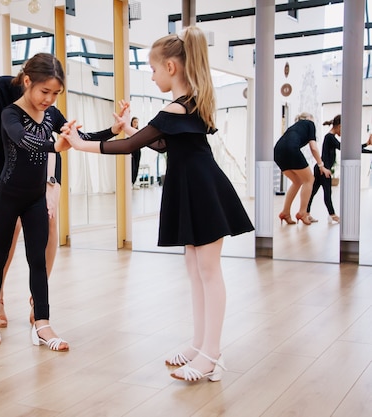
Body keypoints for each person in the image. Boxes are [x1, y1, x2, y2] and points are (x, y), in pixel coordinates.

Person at [62, 26, 254, 380]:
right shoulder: (190, 102)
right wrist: (127, 130)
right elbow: (165, 144)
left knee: (208, 272)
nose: (150, 76)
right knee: (196, 270)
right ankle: (199, 345)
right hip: (195, 187)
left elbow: (131, 146)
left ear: (170, 67)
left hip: (203, 190)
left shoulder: (177, 106)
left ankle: (211, 354)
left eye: (151, 69)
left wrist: (79, 142)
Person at [0, 49, 124, 329]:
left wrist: (50, 187)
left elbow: (55, 132)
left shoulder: (16, 86)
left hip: (45, 156)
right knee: (7, 232)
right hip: (4, 158)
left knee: (49, 221)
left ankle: (37, 299)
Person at [0, 52, 102, 350]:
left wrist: (115, 130)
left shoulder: (52, 114)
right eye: (44, 91)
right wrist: (54, 145)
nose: (49, 99)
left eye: (56, 93)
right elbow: (23, 139)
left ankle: (42, 325)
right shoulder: (10, 113)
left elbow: (79, 137)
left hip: (36, 198)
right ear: (27, 82)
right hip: (7, 197)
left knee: (38, 259)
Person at [274, 113, 332, 225]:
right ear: (309, 118)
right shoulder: (310, 124)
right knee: (309, 179)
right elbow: (313, 147)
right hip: (291, 150)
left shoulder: (294, 127)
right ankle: (303, 213)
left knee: (297, 181)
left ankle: (285, 212)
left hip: (277, 151)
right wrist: (321, 165)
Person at [306, 115, 340, 223]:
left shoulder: (330, 137)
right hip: (323, 170)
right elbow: (343, 147)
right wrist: (324, 168)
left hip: (320, 168)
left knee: (313, 192)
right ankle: (332, 215)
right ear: (339, 126)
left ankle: (305, 213)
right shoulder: (330, 137)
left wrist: (366, 145)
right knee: (327, 193)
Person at [130, 117, 142, 187]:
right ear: (131, 122)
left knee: (136, 167)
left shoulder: (138, 132)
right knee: (132, 167)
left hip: (138, 150)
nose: (135, 124)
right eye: (134, 122)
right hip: (132, 151)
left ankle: (133, 182)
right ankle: (131, 182)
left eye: (137, 122)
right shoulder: (129, 130)